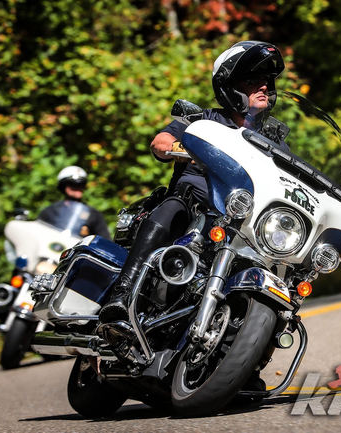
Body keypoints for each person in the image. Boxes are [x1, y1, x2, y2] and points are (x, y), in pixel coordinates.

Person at [99, 40, 285, 324]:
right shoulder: (205, 120)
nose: (263, 87)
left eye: (267, 82)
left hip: (241, 222)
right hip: (192, 208)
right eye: (252, 81)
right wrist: (185, 149)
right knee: (170, 208)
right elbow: (161, 142)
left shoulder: (273, 141)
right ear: (231, 87)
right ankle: (122, 294)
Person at [38, 165, 111, 239]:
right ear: (63, 187)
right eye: (73, 185)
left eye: (81, 184)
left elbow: (104, 241)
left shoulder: (94, 214)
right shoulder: (49, 212)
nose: (78, 188)